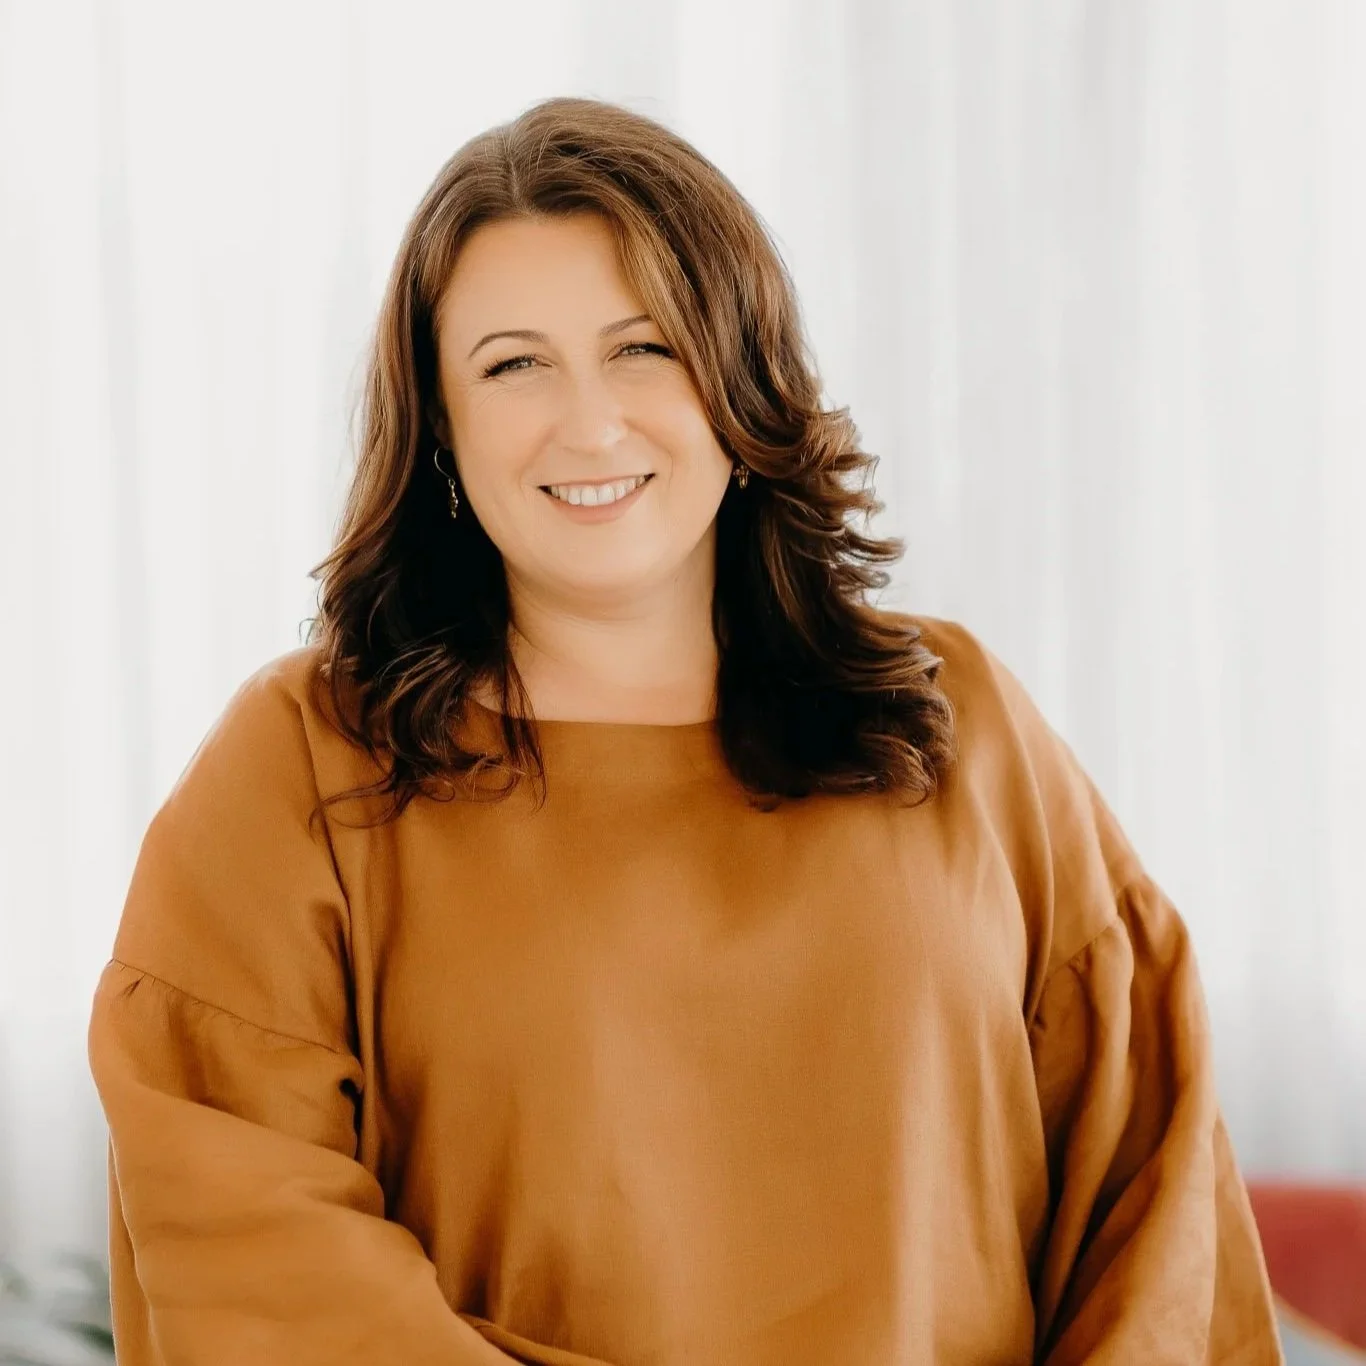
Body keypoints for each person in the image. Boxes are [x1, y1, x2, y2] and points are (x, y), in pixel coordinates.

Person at [86, 95, 1284, 1365]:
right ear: (439, 423)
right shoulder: (300, 765)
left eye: (643, 346)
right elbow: (253, 1253)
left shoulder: (959, 720)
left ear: (737, 376)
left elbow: (1152, 1206)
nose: (590, 422)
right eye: (513, 364)